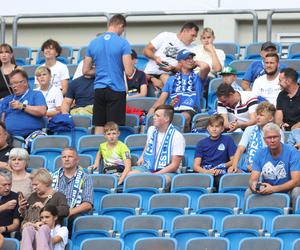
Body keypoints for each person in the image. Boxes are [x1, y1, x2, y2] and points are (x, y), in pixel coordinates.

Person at [83, 14, 134, 134]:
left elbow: (85, 71)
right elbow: (129, 71)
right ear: (120, 25)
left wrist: (101, 70)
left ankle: (98, 151)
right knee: (112, 128)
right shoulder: (123, 43)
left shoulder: (93, 43)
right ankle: (111, 153)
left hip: (99, 89)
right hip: (116, 88)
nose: (122, 32)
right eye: (122, 29)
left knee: (99, 124)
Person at [128, 105, 185, 187]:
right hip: (148, 166)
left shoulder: (177, 137)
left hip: (168, 171)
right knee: (130, 176)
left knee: (157, 181)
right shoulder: (151, 130)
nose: (153, 117)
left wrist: (154, 175)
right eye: (154, 115)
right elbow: (148, 145)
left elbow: (174, 166)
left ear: (166, 119)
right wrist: (142, 156)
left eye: (157, 116)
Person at [147, 49, 204, 132]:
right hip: (172, 108)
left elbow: (205, 66)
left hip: (190, 108)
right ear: (180, 62)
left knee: (183, 117)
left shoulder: (198, 77)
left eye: (191, 58)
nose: (190, 60)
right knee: (156, 117)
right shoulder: (171, 79)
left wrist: (195, 63)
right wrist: (152, 111)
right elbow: (162, 99)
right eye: (187, 59)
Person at [247, 122, 300, 205]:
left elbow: (296, 181)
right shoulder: (259, 153)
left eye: (275, 137)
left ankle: (294, 216)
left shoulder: (292, 152)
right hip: (267, 189)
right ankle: (250, 216)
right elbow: (253, 178)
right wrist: (253, 184)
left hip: (288, 190)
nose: (272, 140)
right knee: (249, 191)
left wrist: (273, 189)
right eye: (269, 138)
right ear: (264, 139)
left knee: (297, 191)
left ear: (280, 137)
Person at [228, 102, 284, 173]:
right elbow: (240, 150)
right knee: (232, 171)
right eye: (257, 114)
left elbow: (279, 154)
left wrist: (258, 166)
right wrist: (234, 166)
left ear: (270, 118)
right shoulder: (249, 129)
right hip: (249, 167)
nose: (257, 117)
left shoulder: (278, 131)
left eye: (261, 115)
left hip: (270, 168)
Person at [143, 22, 200, 90]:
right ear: (184, 31)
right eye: (192, 35)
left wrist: (172, 68)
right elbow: (146, 50)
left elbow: (183, 68)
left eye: (195, 36)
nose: (194, 39)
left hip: (171, 76)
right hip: (150, 74)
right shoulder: (166, 36)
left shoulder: (192, 48)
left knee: (167, 80)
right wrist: (155, 58)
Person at [52, 147, 93, 235]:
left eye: (70, 157)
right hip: (55, 212)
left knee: (74, 219)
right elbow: (47, 197)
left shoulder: (85, 178)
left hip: (74, 213)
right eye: (64, 157)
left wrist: (69, 212)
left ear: (77, 160)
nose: (66, 159)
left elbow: (87, 204)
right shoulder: (53, 177)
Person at [1, 69, 47, 138]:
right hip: (10, 137)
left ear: (25, 82)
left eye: (16, 83)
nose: (13, 86)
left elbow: (42, 111)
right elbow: (2, 120)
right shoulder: (7, 99)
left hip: (33, 135)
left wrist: (22, 106)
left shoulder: (36, 94)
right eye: (11, 84)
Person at [193, 114, 236, 188]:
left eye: (217, 126)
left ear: (222, 129)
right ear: (207, 128)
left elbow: (234, 160)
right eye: (211, 126)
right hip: (205, 171)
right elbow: (196, 166)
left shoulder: (228, 140)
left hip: (220, 172)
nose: (214, 129)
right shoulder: (201, 143)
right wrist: (207, 172)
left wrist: (221, 167)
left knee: (223, 182)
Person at [0, 168, 20, 238]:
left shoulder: (15, 197)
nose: (8, 188)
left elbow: (16, 224)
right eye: (4, 185)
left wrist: (4, 229)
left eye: (9, 184)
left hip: (6, 234)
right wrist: (3, 207)